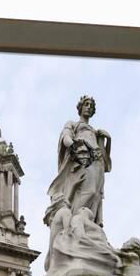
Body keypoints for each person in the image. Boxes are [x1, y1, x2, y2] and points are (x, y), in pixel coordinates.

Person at [47, 95, 112, 227]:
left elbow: (106, 160)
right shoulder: (73, 124)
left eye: (91, 106)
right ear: (80, 107)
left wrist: (108, 140)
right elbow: (65, 137)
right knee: (89, 191)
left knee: (96, 195)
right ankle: (74, 223)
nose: (89, 108)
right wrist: (73, 146)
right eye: (86, 104)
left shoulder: (95, 132)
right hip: (83, 159)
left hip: (97, 162)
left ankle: (88, 224)